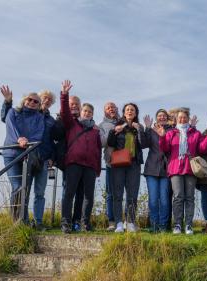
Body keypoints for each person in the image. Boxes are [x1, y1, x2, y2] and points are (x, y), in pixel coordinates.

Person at [155, 108, 207, 235]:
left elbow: (202, 149)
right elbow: (165, 149)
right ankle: (178, 225)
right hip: (175, 169)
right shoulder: (171, 133)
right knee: (178, 197)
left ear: (188, 119)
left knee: (190, 198)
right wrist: (162, 137)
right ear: (176, 119)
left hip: (190, 169)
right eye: (180, 117)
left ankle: (189, 225)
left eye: (184, 117)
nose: (182, 119)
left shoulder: (195, 133)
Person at [0, 86, 56, 230]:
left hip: (29, 156)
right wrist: (19, 139)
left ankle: (24, 222)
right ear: (24, 100)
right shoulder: (14, 112)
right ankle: (16, 222)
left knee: (26, 189)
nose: (32, 102)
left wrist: (28, 142)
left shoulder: (41, 118)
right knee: (17, 187)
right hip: (12, 154)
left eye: (35, 101)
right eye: (30, 99)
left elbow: (39, 135)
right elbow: (9, 125)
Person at [60, 80, 101, 233]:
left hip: (90, 166)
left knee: (87, 196)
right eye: (85, 111)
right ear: (81, 112)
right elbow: (64, 112)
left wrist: (97, 168)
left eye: (90, 112)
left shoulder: (95, 131)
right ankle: (66, 222)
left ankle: (84, 223)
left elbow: (98, 150)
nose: (87, 113)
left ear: (92, 115)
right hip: (74, 163)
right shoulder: (72, 124)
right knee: (69, 193)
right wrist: (64, 94)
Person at [107, 103, 145, 233]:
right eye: (127, 109)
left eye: (132, 110)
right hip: (119, 164)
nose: (130, 111)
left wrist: (139, 130)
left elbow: (144, 144)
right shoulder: (117, 126)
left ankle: (129, 222)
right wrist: (114, 132)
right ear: (124, 113)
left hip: (134, 164)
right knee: (117, 194)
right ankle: (118, 223)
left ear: (135, 113)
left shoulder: (139, 127)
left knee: (132, 195)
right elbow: (110, 143)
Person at [51, 94, 85, 232]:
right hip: (69, 161)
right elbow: (56, 135)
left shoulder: (84, 122)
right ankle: (66, 222)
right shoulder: (62, 120)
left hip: (83, 162)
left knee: (81, 194)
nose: (75, 105)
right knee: (68, 192)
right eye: (72, 103)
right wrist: (61, 117)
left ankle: (77, 221)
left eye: (77, 103)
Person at [142, 109, 172, 232]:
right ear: (156, 118)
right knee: (153, 199)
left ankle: (163, 226)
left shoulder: (172, 131)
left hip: (166, 169)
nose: (162, 118)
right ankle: (154, 226)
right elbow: (143, 144)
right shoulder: (152, 130)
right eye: (159, 116)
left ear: (167, 118)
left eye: (164, 116)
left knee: (164, 199)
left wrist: (164, 135)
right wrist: (147, 128)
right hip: (152, 169)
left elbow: (171, 148)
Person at [98, 102, 118, 231]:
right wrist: (113, 131)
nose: (111, 109)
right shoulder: (101, 125)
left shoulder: (123, 121)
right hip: (111, 163)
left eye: (113, 107)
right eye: (108, 108)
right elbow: (101, 143)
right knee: (111, 194)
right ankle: (112, 221)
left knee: (125, 193)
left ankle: (127, 221)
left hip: (126, 162)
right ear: (105, 111)